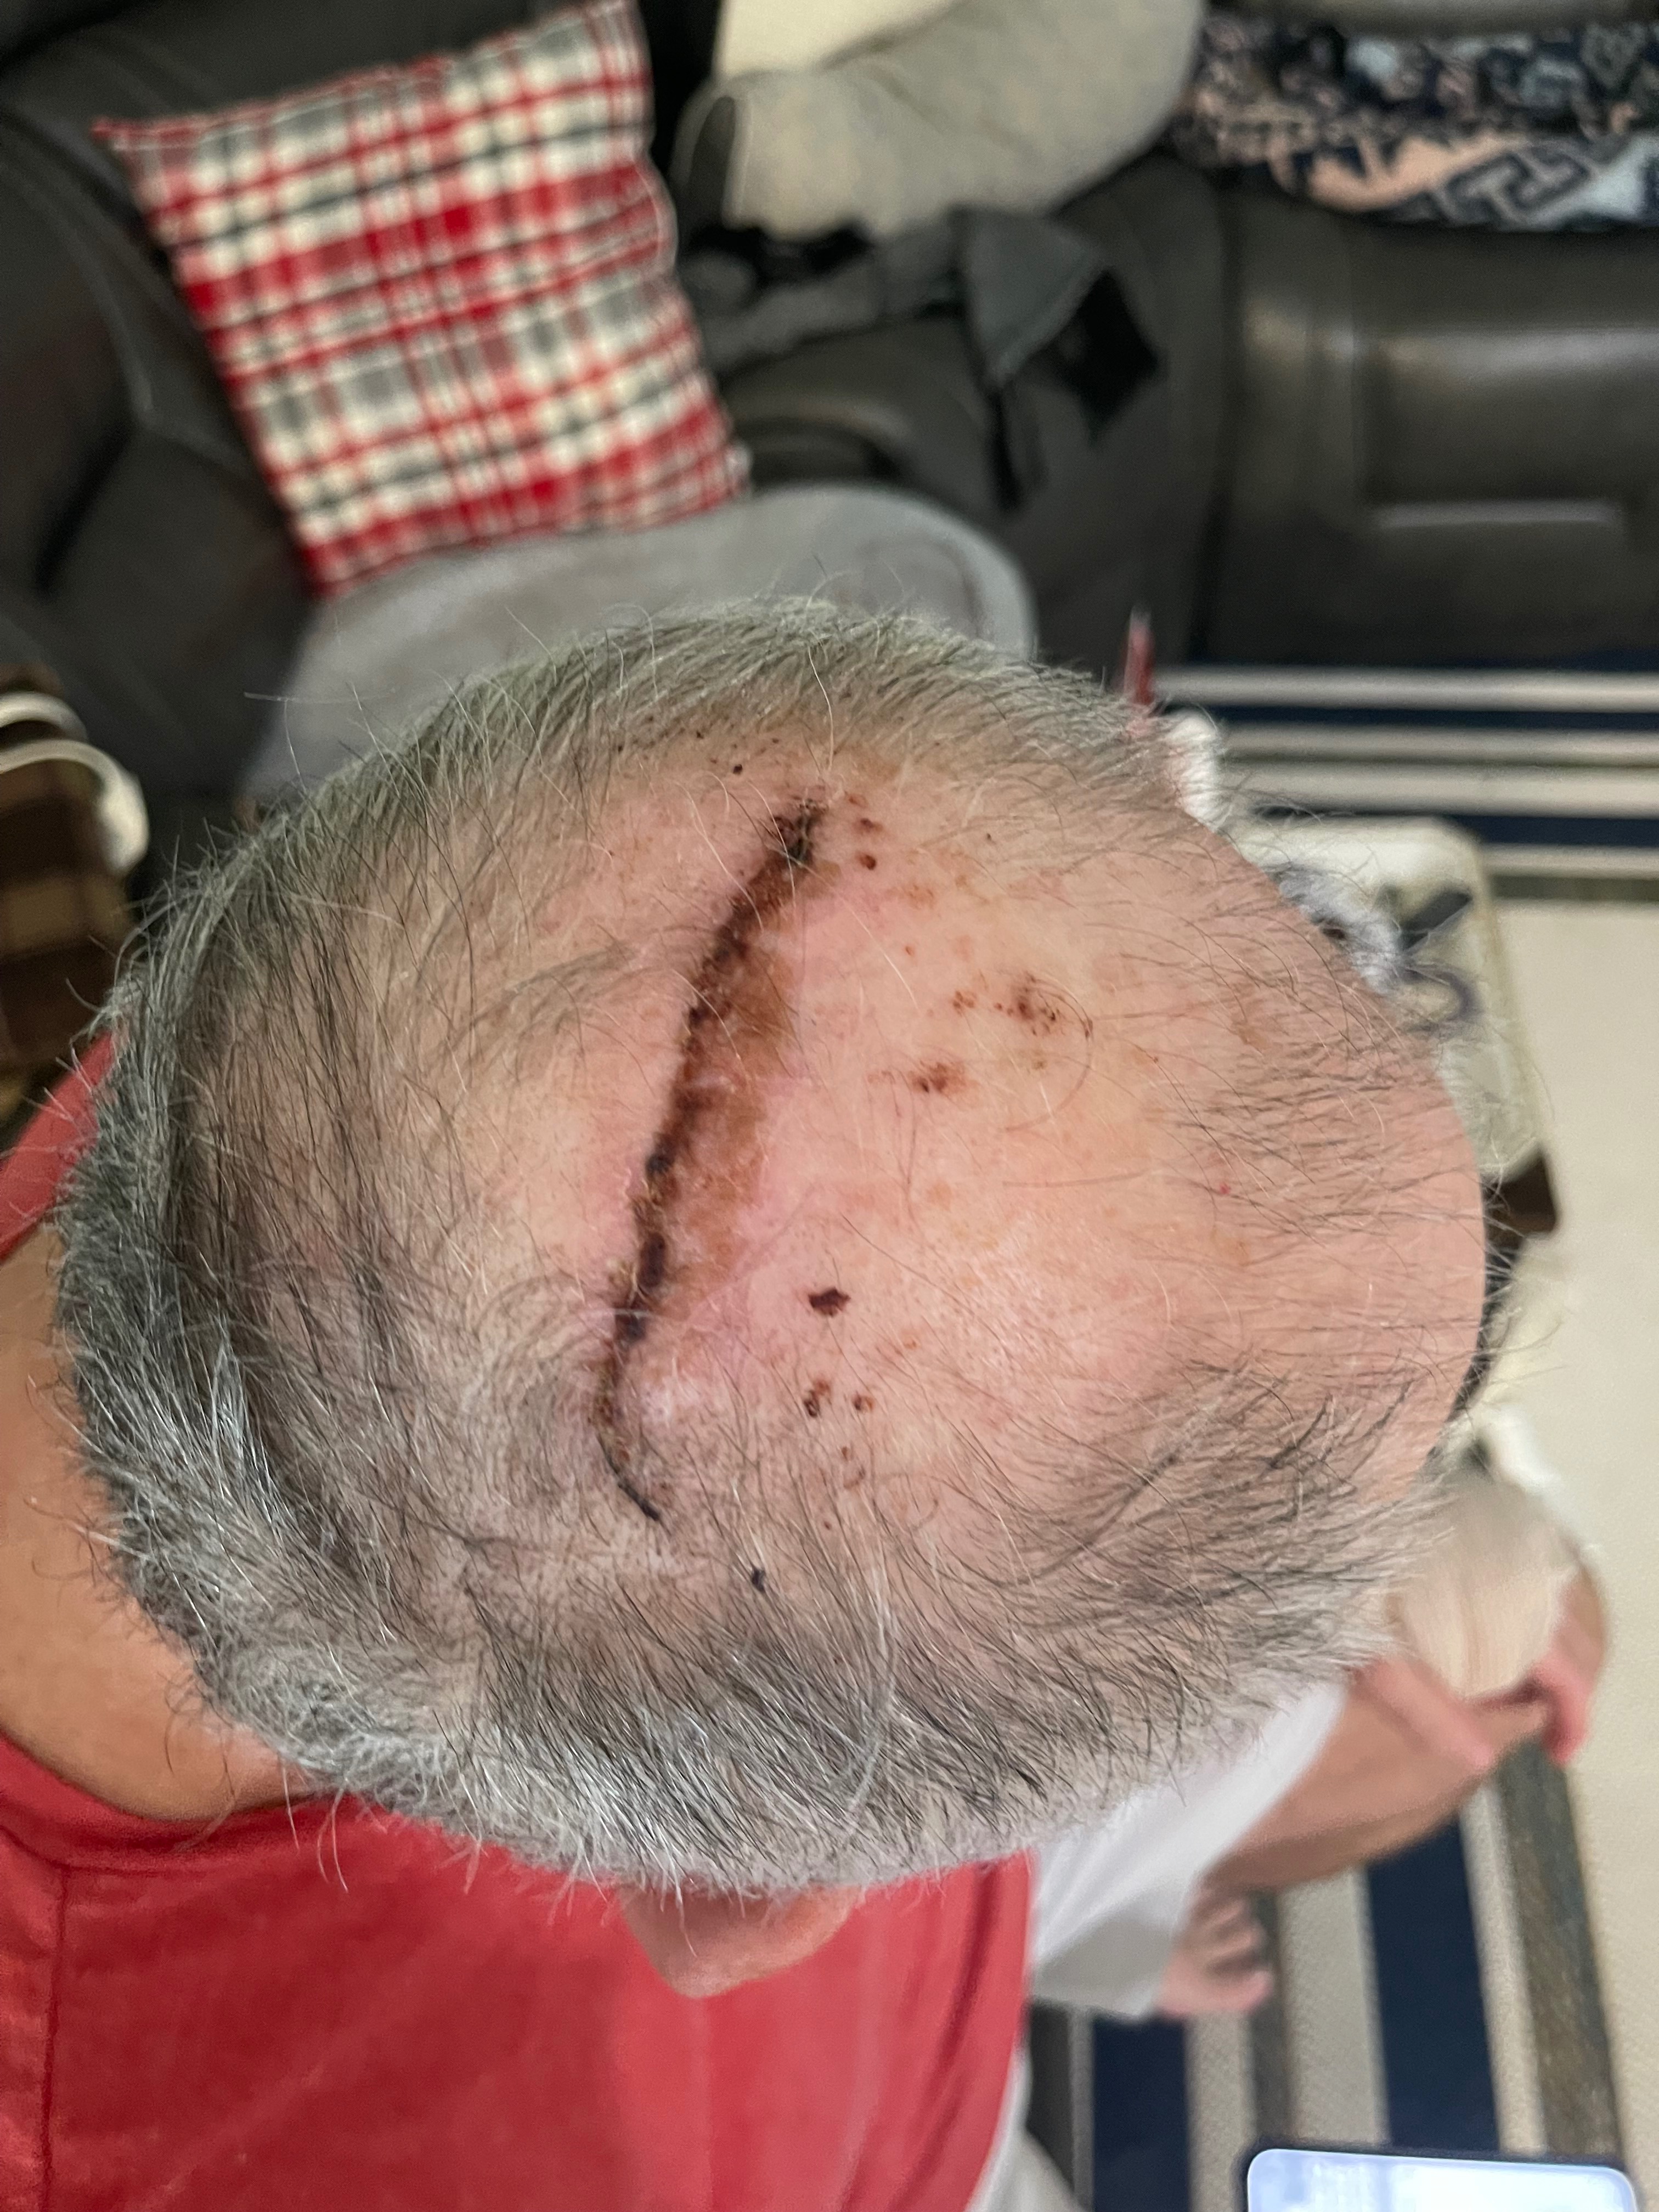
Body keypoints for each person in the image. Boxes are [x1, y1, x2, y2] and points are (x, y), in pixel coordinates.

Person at [0, 603, 1599, 2211]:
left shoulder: (291, 1058)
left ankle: (1116, 1911)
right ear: (734, 1899)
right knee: (1496, 1683)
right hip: (943, 2139)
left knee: (1519, 1627)